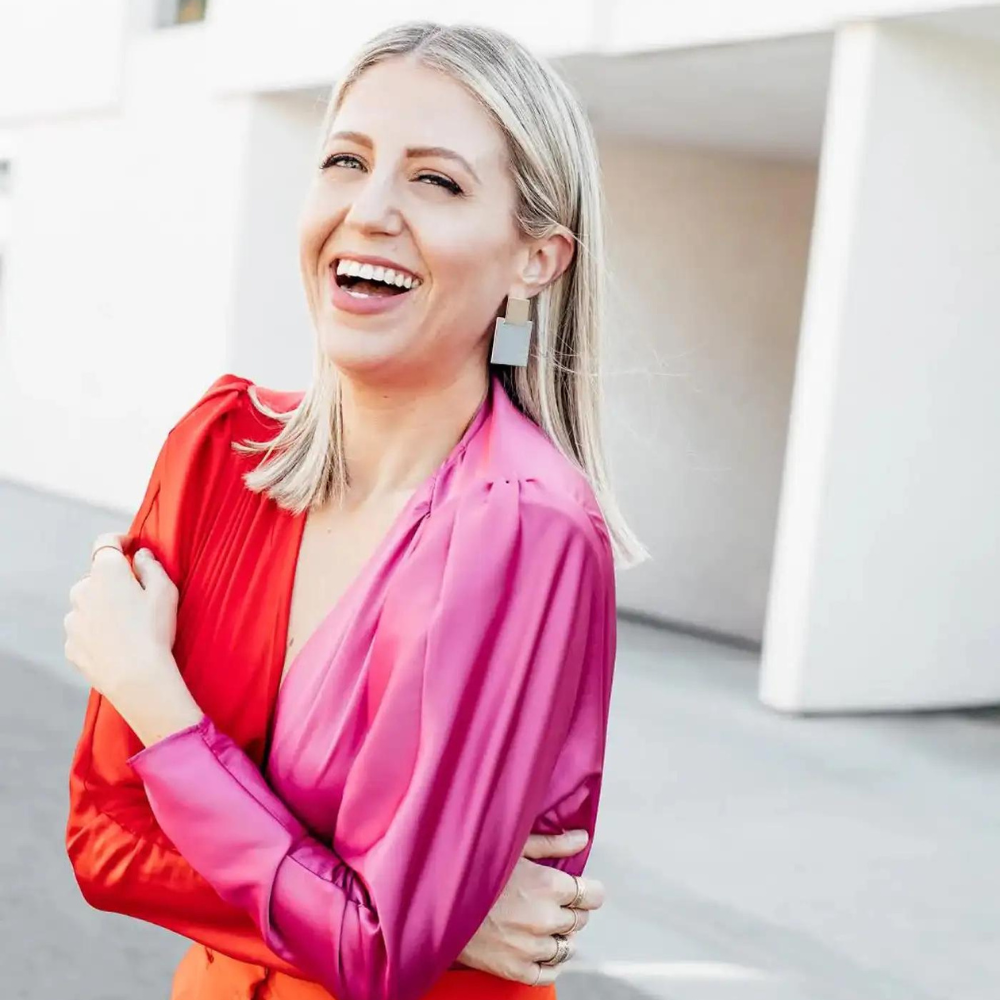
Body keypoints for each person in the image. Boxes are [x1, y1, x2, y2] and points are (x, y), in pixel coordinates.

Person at [64, 20, 645, 1000]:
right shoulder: (217, 450)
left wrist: (152, 697)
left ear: (535, 259)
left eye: (437, 181)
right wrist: (430, 914)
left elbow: (376, 952)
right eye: (346, 160)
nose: (369, 210)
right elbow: (101, 838)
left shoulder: (521, 525)